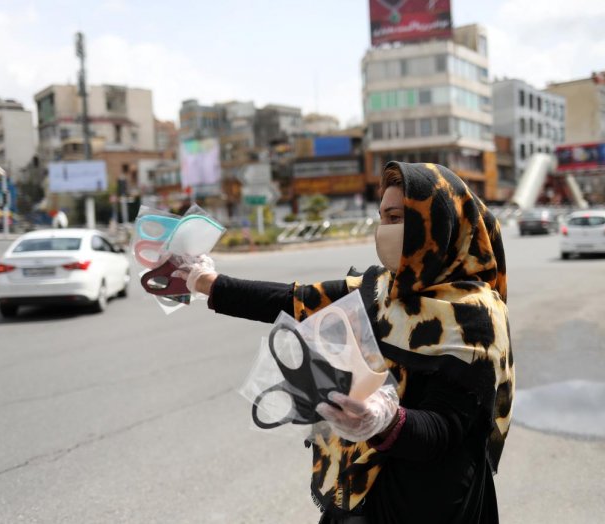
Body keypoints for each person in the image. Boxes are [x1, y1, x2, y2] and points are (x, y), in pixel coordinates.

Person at [175, 162, 514, 523]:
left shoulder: (475, 316)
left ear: (439, 224)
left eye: (397, 217)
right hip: (356, 492)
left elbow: (446, 428)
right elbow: (295, 300)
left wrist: (386, 421)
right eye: (382, 218)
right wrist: (206, 282)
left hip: (426, 502)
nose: (385, 230)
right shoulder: (379, 289)